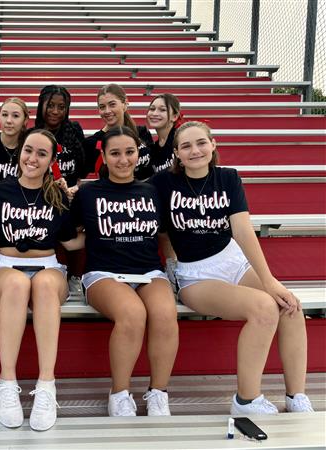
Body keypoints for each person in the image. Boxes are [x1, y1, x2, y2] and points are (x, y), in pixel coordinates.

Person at [150, 121, 314, 415]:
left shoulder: (227, 178)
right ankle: (246, 400)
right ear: (176, 153)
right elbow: (155, 225)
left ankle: (296, 396)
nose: (195, 150)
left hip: (232, 260)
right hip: (195, 274)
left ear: (213, 145)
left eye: (201, 143)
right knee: (264, 308)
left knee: (290, 305)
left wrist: (271, 281)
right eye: (186, 146)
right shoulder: (163, 183)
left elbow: (242, 230)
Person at [71, 125, 178, 417]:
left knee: (165, 314)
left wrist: (172, 266)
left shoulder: (152, 190)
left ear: (138, 154)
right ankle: (119, 393)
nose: (123, 160)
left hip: (147, 271)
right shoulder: (88, 192)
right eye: (115, 153)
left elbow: (164, 234)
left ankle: (159, 392)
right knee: (132, 314)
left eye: (129, 152)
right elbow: (72, 236)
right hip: (103, 273)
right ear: (103, 157)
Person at [0, 129, 82, 432]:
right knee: (16, 283)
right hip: (5, 266)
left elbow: (71, 244)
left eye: (42, 153)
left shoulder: (59, 195)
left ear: (52, 159)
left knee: (40, 284)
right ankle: (7, 382)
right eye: (29, 150)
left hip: (48, 265)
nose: (33, 158)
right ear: (20, 153)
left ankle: (46, 384)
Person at [83, 84, 153, 180]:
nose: (107, 111)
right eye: (102, 107)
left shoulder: (142, 133)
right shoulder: (91, 143)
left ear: (125, 104)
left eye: (112, 105)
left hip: (145, 193)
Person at [32, 85, 85, 190]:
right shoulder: (32, 136)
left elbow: (82, 167)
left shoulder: (75, 130)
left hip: (70, 196)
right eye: (50, 105)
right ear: (41, 105)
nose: (55, 111)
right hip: (41, 197)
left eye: (61, 107)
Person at [145, 93, 182, 174]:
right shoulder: (154, 148)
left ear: (175, 117)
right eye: (152, 109)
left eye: (162, 110)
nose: (154, 113)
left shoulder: (181, 140)